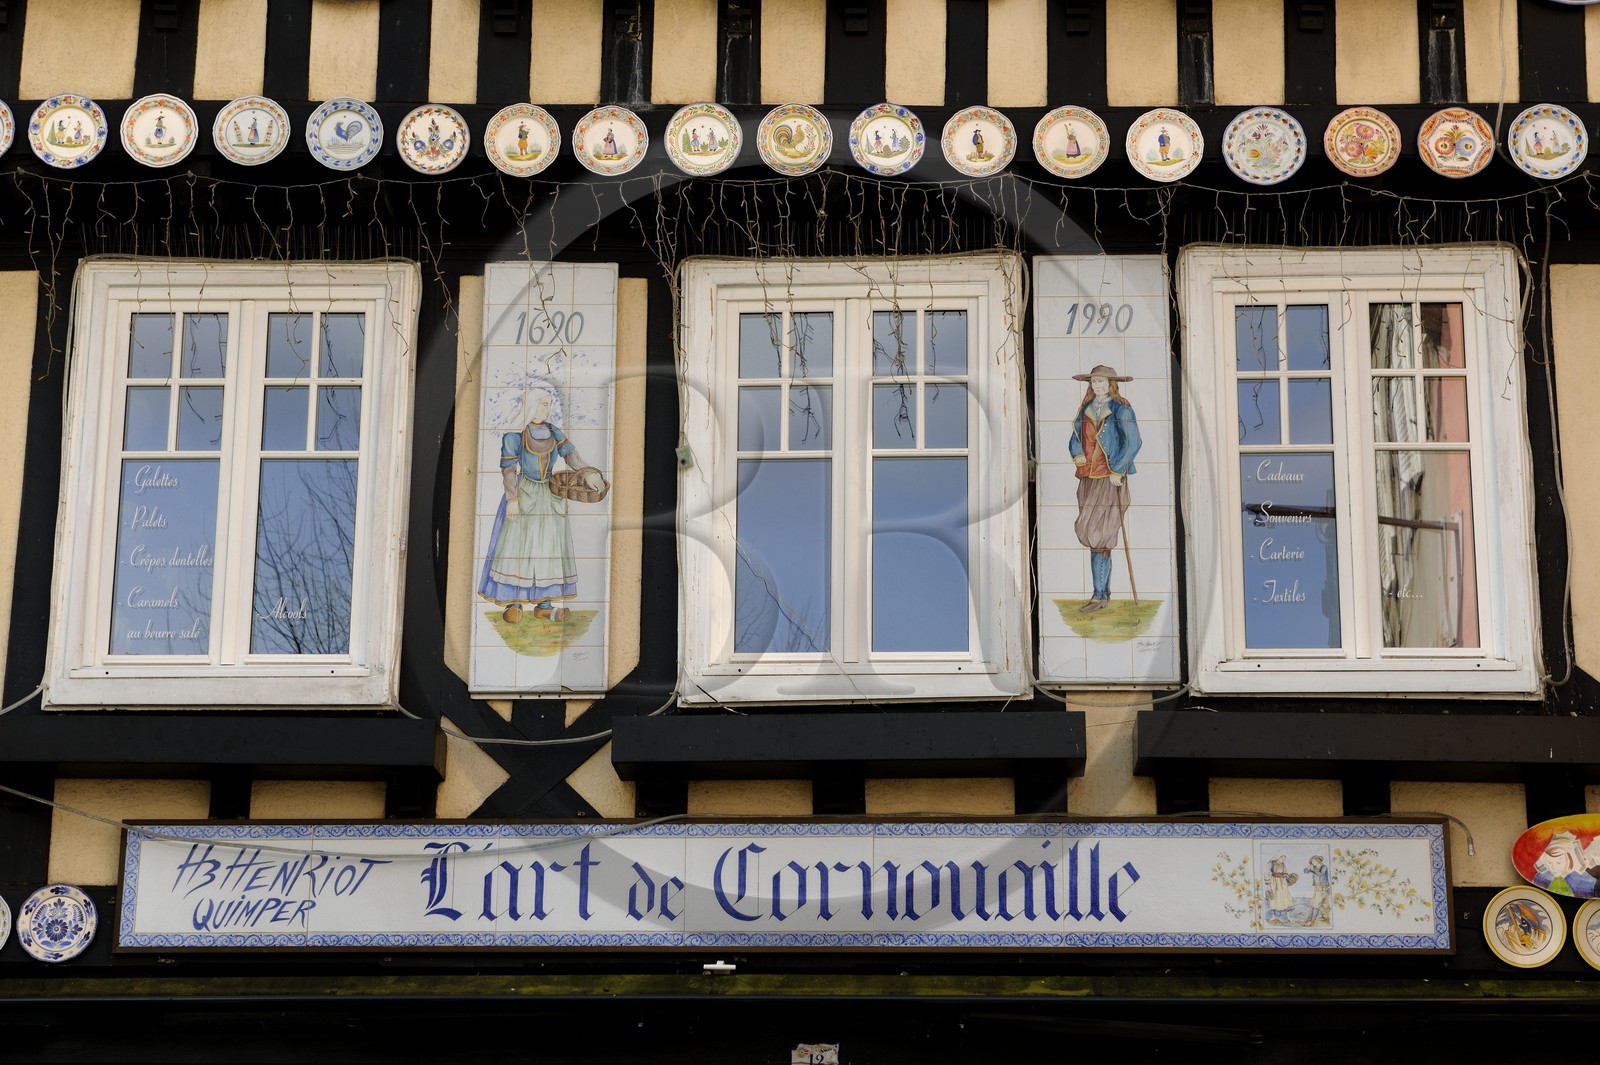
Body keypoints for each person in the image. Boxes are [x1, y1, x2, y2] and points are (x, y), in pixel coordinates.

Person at [478, 389, 605, 624]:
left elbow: (572, 456)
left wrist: (590, 474)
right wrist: (512, 500)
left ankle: (544, 605)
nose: (547, 409)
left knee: (548, 549)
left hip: (548, 495)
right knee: (517, 548)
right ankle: (514, 603)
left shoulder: (553, 432)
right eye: (543, 404)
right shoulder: (515, 435)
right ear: (531, 406)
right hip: (523, 494)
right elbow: (508, 471)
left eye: (548, 404)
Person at [1067, 365, 1140, 611]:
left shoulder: (1122, 410)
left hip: (1110, 479)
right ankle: (1101, 593)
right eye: (1094, 382)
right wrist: (1077, 456)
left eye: (1102, 382)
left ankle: (1100, 596)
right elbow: (1075, 438)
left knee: (1102, 534)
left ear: (1111, 384)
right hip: (1088, 478)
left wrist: (1118, 470)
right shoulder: (1085, 410)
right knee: (1089, 530)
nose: (1098, 386)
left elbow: (1133, 442)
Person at [1266, 855, 1295, 922]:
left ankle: (1288, 916)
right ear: (1278, 857)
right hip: (1274, 882)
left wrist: (1288, 878)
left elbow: (1285, 873)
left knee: (1286, 897)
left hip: (1282, 882)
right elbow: (1266, 873)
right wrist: (1268, 884)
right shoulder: (1271, 863)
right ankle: (1273, 916)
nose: (1283, 859)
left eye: (1284, 858)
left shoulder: (1283, 864)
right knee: (1274, 898)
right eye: (1282, 858)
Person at [1305, 855, 1331, 924]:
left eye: (1313, 861)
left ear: (1317, 861)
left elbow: (1320, 874)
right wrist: (1308, 868)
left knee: (1316, 904)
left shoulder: (1324, 867)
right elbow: (1305, 871)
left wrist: (1312, 870)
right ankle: (1308, 919)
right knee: (1312, 904)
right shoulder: (1314, 867)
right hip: (1317, 889)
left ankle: (1312, 921)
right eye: (1312, 862)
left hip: (1323, 888)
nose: (1312, 863)